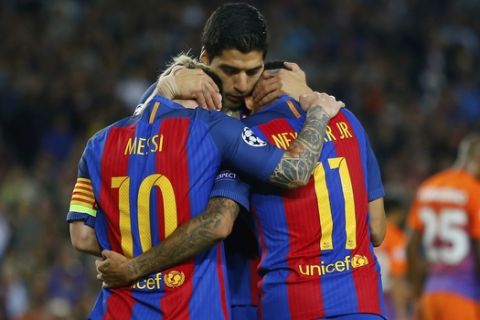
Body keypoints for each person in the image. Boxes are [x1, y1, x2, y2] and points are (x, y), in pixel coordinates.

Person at [97, 61, 387, 320]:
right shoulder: (348, 121)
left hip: (290, 301)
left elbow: (217, 222)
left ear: (249, 97)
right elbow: (377, 229)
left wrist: (133, 268)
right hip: (363, 300)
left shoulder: (246, 138)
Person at [407, 133, 480, 320]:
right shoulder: (474, 191)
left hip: (430, 293)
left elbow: (411, 247)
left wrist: (417, 295)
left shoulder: (428, 186)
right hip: (464, 294)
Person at [374, 198, 409, 320]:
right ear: (396, 213)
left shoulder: (364, 231)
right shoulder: (396, 236)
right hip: (386, 298)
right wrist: (401, 312)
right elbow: (397, 274)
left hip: (362, 295)